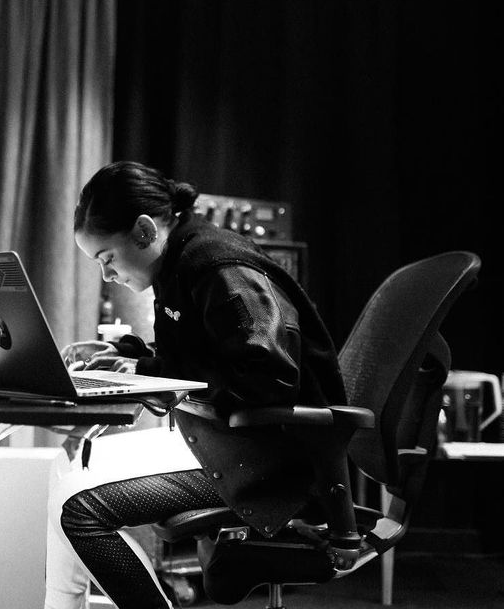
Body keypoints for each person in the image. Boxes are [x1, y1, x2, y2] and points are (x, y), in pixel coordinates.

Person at [44, 161, 345, 609]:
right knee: (67, 469)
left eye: (106, 258)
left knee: (80, 510)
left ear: (145, 231)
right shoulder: (180, 262)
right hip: (230, 440)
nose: (106, 275)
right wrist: (129, 356)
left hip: (274, 461)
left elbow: (268, 379)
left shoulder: (218, 267)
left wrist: (152, 374)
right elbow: (200, 353)